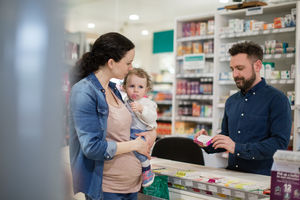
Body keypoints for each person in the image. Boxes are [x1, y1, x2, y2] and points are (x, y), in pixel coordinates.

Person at [68, 32, 156, 200]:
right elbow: (92, 147)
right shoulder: (84, 92)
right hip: (106, 189)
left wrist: (151, 133)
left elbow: (125, 128)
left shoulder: (113, 89)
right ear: (111, 63)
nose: (131, 68)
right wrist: (135, 145)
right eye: (128, 63)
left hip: (130, 186)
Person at [194, 41, 292, 176]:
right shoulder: (231, 101)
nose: (234, 74)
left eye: (240, 68)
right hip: (232, 175)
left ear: (257, 66)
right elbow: (226, 137)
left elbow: (279, 143)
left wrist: (237, 148)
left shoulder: (277, 99)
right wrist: (208, 143)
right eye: (232, 69)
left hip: (262, 179)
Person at [122, 68, 157, 187]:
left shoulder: (147, 103)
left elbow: (153, 118)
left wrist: (142, 110)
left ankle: (147, 170)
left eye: (140, 87)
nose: (136, 90)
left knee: (140, 151)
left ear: (146, 90)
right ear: (124, 87)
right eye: (132, 86)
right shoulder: (125, 101)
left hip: (141, 132)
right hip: (128, 132)